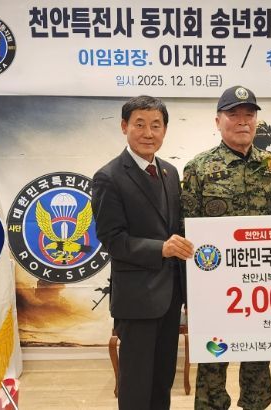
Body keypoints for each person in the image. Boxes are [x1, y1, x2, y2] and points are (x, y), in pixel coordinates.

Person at [181, 85, 271, 409]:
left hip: (261, 289)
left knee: (257, 368)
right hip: (214, 290)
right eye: (233, 115)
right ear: (218, 121)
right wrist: (190, 294)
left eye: (249, 115)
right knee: (213, 369)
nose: (242, 121)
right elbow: (185, 232)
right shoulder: (198, 168)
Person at [91, 95, 194, 410]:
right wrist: (161, 248)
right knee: (136, 386)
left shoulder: (170, 173)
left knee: (162, 381)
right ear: (124, 127)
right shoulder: (109, 177)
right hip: (137, 300)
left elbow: (177, 229)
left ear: (165, 130)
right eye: (140, 124)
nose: (148, 133)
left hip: (170, 297)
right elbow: (112, 240)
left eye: (156, 125)